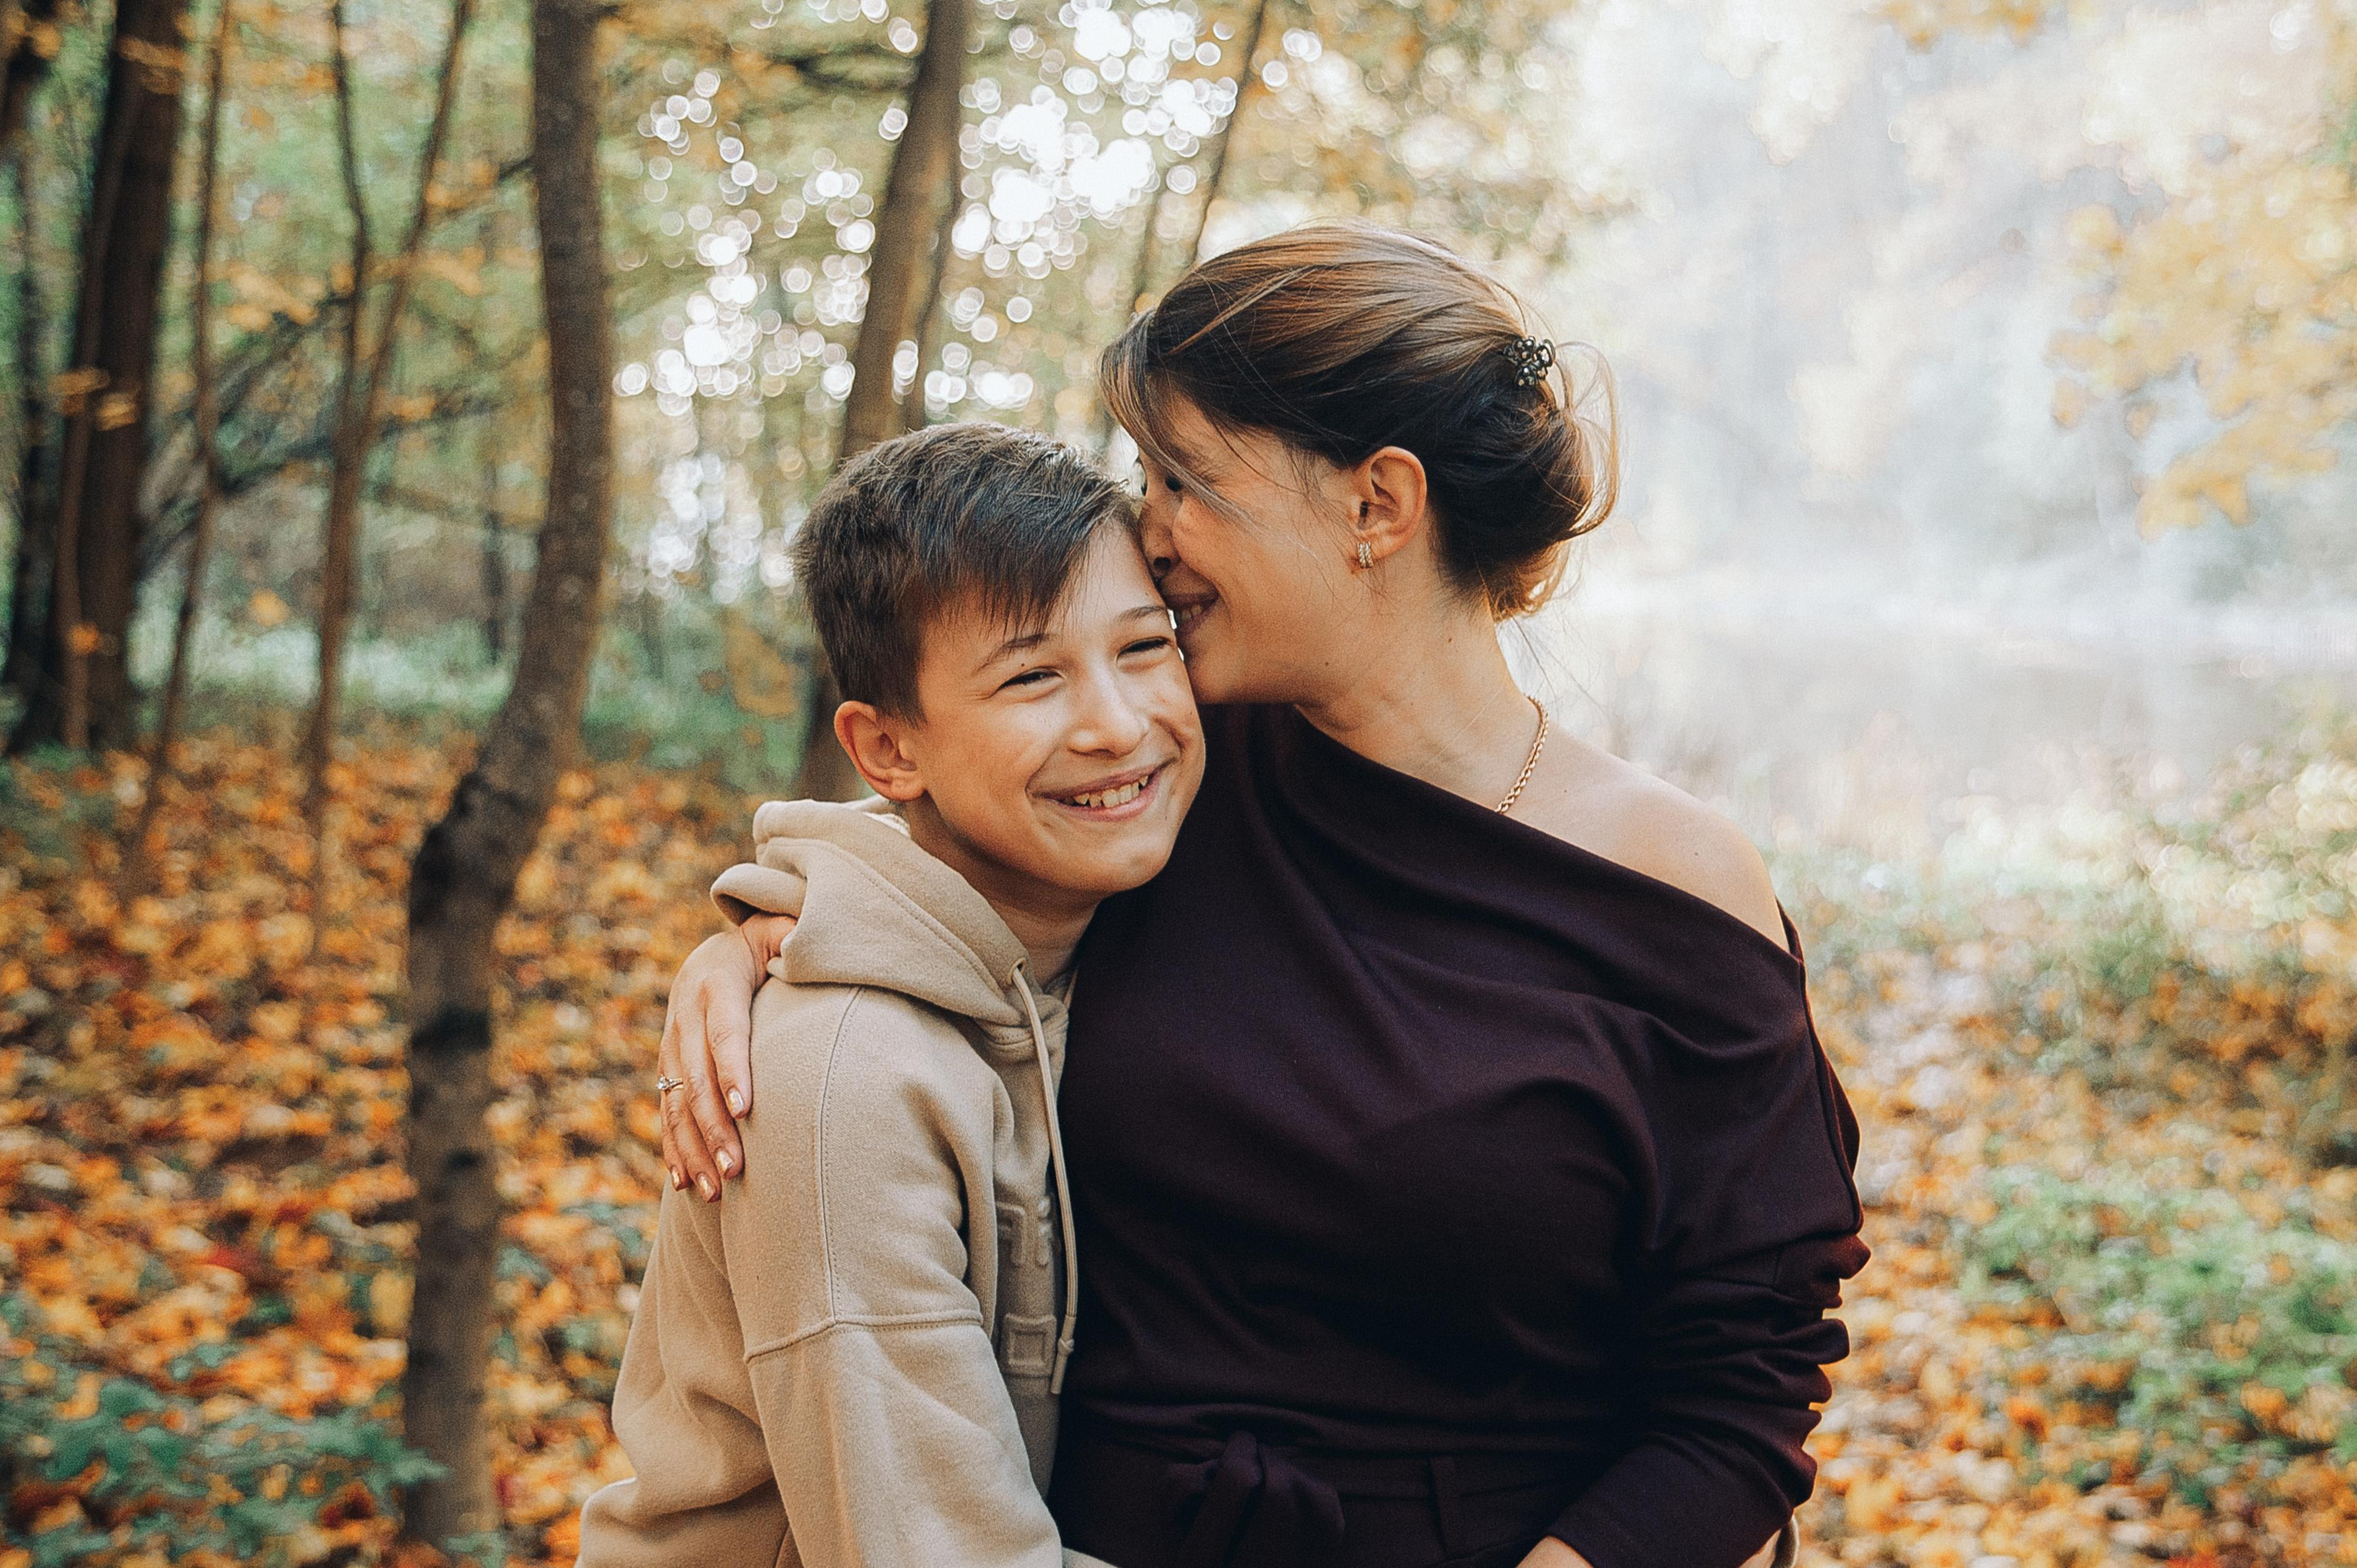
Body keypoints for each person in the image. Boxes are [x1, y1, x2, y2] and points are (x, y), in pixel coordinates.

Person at [656, 223, 1869, 1568]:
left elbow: (1744, 1377)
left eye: (1186, 480)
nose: (1149, 532)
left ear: (1378, 505)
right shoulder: (1169, 785)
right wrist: (764, 941)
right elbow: (926, 884)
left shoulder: (1679, 882)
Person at [577, 421, 1204, 1566]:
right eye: (1031, 675)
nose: (1118, 722)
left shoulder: (1095, 921)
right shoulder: (842, 1087)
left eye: (1145, 646)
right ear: (887, 750)